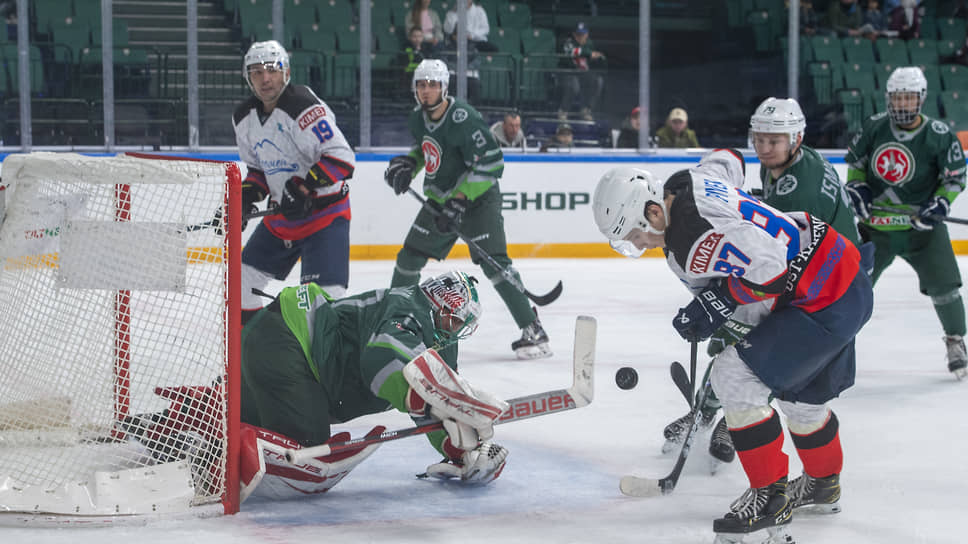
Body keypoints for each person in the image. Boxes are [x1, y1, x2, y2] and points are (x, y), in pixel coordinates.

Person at [592, 149, 874, 543]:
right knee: (801, 398)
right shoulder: (685, 181)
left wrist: (717, 301)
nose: (641, 245)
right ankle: (823, 484)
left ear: (653, 212)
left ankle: (769, 499)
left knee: (734, 375)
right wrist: (715, 302)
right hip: (841, 270)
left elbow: (771, 268)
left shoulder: (693, 238)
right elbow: (728, 159)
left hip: (818, 297)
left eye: (636, 236)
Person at [661, 97, 862, 474]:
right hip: (831, 266)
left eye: (775, 141)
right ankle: (712, 413)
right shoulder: (798, 162)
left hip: (826, 283)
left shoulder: (799, 186)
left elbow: (775, 260)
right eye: (760, 139)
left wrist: (724, 300)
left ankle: (725, 420)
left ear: (796, 138)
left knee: (753, 345)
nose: (765, 148)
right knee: (741, 338)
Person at [383, 59, 552, 360]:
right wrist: (409, 163)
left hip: (477, 200)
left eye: (432, 85)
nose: (426, 90)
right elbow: (429, 150)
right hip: (441, 199)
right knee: (409, 258)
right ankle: (391, 323)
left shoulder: (463, 117)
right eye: (421, 85)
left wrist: (460, 200)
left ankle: (532, 328)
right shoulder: (417, 118)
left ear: (444, 87)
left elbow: (491, 162)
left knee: (495, 264)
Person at [845, 66, 968, 378]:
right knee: (850, 289)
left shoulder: (938, 135)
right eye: (898, 98)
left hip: (922, 231)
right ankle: (835, 345)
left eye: (909, 98)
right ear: (889, 99)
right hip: (875, 230)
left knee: (945, 288)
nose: (903, 105)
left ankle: (955, 340)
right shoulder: (874, 127)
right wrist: (857, 187)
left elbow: (954, 178)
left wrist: (941, 202)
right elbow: (856, 165)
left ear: (921, 99)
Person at [231, 40, 356, 325]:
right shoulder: (243, 118)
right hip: (282, 221)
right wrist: (246, 197)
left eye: (272, 70)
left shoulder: (303, 106)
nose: (265, 78)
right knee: (238, 287)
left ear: (286, 71)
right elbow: (258, 170)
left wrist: (303, 187)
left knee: (321, 310)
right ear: (248, 77)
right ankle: (253, 355)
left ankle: (316, 368)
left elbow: (342, 158)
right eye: (256, 71)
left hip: (324, 217)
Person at [557, 21, 605, 122]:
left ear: (587, 34)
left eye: (583, 34)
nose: (581, 37)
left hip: (583, 73)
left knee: (598, 81)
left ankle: (586, 110)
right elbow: (572, 51)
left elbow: (596, 57)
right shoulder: (569, 42)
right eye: (578, 34)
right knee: (574, 85)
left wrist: (596, 58)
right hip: (568, 72)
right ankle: (563, 111)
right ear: (574, 34)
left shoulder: (589, 43)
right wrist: (589, 53)